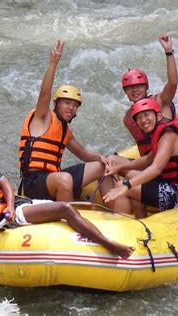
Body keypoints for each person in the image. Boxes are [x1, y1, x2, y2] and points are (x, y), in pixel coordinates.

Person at [0, 131, 134, 271]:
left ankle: (101, 238)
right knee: (64, 208)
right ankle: (109, 245)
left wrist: (10, 206)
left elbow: (4, 184)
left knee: (66, 208)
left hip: (14, 208)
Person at [18, 39, 113, 202]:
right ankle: (67, 217)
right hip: (33, 183)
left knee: (103, 167)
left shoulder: (65, 132)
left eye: (75, 105)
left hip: (54, 178)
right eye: (67, 103)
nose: (71, 108)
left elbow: (83, 154)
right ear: (57, 104)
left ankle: (116, 214)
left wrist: (102, 158)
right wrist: (53, 63)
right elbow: (44, 94)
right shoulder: (43, 117)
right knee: (65, 179)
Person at [103, 99, 178, 219]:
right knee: (132, 183)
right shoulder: (159, 133)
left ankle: (123, 227)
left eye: (147, 115)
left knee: (123, 187)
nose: (143, 120)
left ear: (158, 116)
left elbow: (156, 169)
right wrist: (120, 167)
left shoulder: (169, 136)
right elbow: (148, 159)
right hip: (172, 186)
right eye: (139, 118)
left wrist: (126, 184)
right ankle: (141, 220)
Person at [120, 33, 178, 157]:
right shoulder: (127, 118)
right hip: (149, 162)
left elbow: (173, 83)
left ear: (146, 87)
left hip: (171, 159)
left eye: (139, 86)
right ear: (126, 93)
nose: (135, 90)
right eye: (130, 88)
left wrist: (168, 51)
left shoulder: (161, 100)